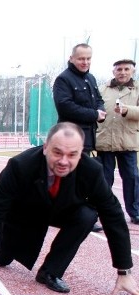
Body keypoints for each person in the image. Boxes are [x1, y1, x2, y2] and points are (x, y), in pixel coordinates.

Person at [0, 122, 139, 295]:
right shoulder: (19, 166)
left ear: (80, 153)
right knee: (1, 259)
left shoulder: (92, 171)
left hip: (62, 209)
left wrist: (124, 271)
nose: (63, 161)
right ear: (46, 147)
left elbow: (113, 215)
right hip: (23, 213)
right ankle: (1, 246)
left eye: (72, 155)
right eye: (57, 152)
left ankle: (50, 271)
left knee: (88, 215)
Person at [53, 43, 106, 233]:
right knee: (69, 178)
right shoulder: (63, 80)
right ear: (72, 58)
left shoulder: (91, 79)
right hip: (70, 137)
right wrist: (94, 115)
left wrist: (101, 110)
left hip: (89, 137)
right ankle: (66, 214)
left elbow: (99, 99)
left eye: (88, 58)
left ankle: (81, 215)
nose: (85, 62)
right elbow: (65, 106)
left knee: (83, 178)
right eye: (81, 58)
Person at [96, 59, 139, 224]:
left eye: (126, 69)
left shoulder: (137, 89)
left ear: (132, 71)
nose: (122, 72)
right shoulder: (102, 89)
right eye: (119, 69)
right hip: (105, 140)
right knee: (104, 179)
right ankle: (103, 210)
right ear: (113, 71)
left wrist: (128, 110)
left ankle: (135, 212)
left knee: (131, 178)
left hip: (127, 140)